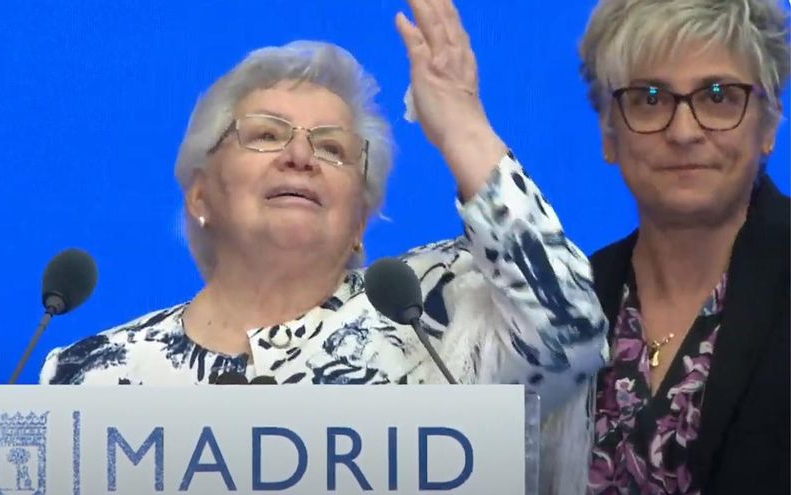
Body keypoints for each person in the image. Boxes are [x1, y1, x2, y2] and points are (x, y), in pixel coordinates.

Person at [41, 0, 608, 491]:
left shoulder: (440, 315)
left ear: (360, 217)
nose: (300, 157)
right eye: (266, 135)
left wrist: (461, 124)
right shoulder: (87, 376)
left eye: (333, 149)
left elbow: (571, 334)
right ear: (200, 196)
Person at [579, 0, 790, 493]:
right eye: (650, 99)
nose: (684, 131)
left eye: (719, 95)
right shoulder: (572, 300)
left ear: (768, 126)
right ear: (609, 134)